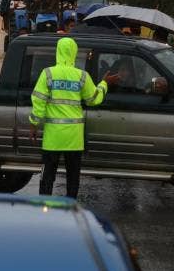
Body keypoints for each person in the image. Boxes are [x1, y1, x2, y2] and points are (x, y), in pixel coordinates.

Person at [30, 37, 118, 198]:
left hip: (53, 137)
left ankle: (44, 208)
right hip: (74, 137)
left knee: (48, 175)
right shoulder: (81, 76)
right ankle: (70, 207)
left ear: (58, 52)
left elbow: (38, 101)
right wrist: (104, 83)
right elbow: (93, 99)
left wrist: (34, 124)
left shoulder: (48, 73)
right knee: (73, 176)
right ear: (74, 53)